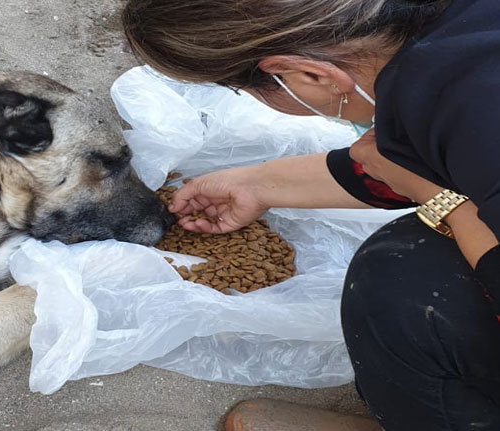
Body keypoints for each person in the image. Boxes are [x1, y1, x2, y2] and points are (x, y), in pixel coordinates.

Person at [121, 0, 500, 430]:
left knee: (401, 286)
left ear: (311, 75)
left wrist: (437, 198)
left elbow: (431, 174)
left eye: (243, 91)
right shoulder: (453, 41)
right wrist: (258, 185)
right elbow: (406, 163)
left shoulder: (474, 116)